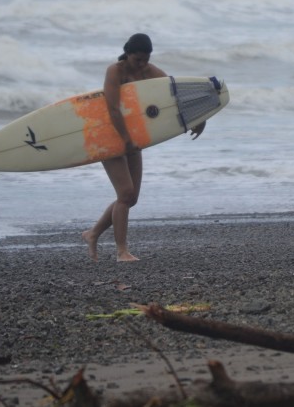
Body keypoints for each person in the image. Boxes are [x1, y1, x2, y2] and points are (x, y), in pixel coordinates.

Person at [81, 34, 205, 261]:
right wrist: (126, 140)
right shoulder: (115, 71)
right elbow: (113, 109)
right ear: (127, 53)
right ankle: (121, 251)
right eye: (138, 59)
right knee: (125, 194)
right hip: (109, 135)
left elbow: (174, 93)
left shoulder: (150, 72)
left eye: (145, 59)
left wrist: (198, 117)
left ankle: (93, 233)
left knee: (131, 198)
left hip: (133, 139)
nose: (142, 64)